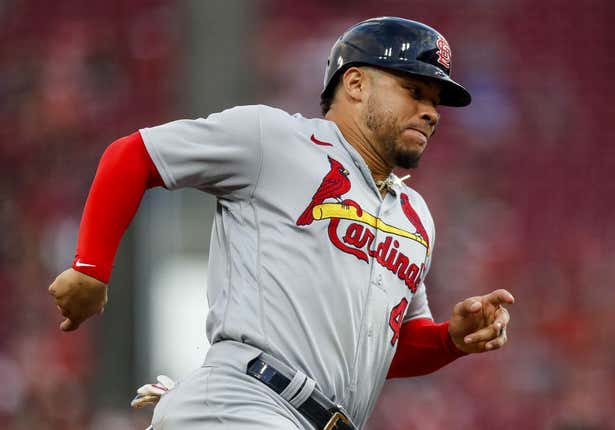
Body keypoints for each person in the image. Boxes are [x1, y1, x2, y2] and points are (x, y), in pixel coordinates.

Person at [48, 17, 514, 430]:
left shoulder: (415, 216)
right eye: (414, 91)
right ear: (355, 84)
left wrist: (450, 340)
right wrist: (90, 266)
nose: (431, 112)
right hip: (244, 402)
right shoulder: (276, 139)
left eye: (436, 101)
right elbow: (135, 155)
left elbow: (385, 348)